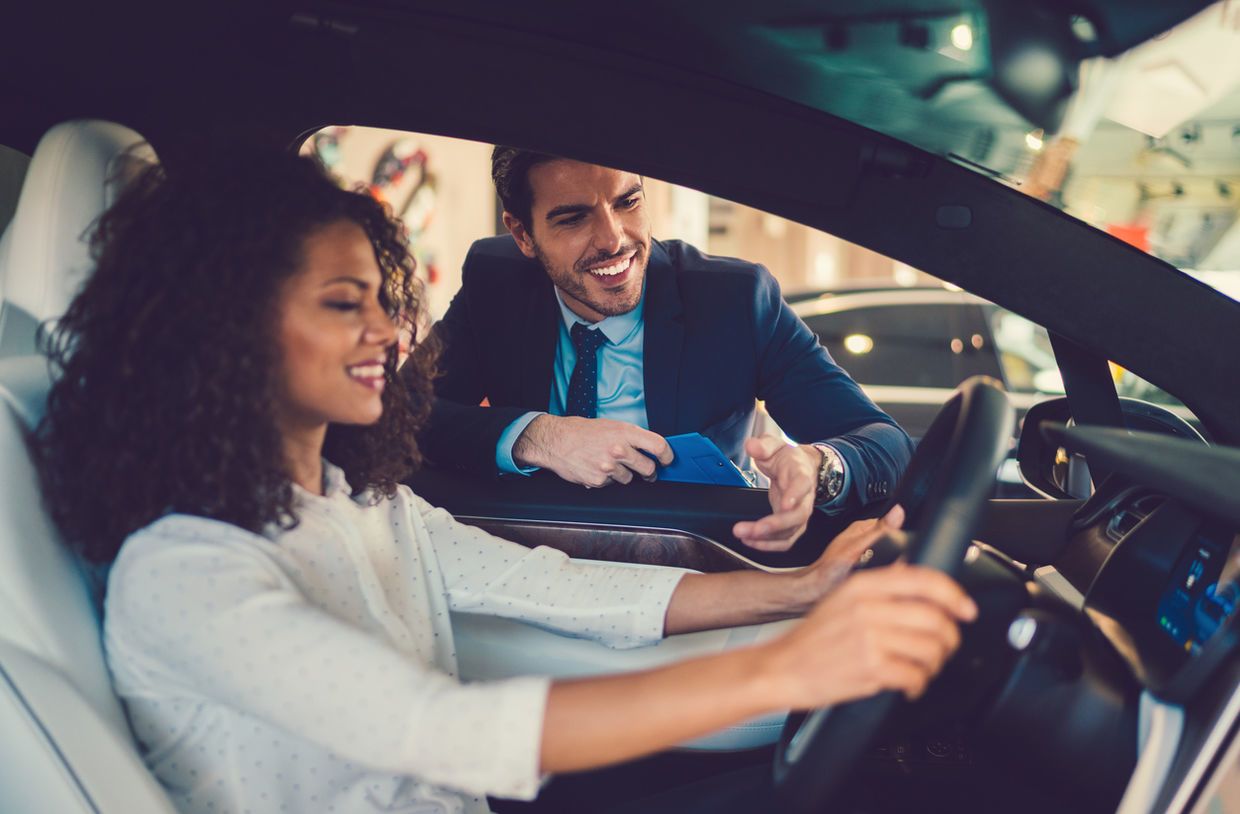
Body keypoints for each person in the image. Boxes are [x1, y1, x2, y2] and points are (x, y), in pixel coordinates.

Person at [35, 146, 974, 814]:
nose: (386, 335)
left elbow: (554, 583)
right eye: (340, 304)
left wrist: (800, 589)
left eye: (380, 299)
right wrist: (791, 663)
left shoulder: (357, 502)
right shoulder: (184, 573)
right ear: (224, 331)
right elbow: (438, 726)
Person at [418, 147, 914, 552]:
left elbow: (884, 442)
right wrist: (539, 437)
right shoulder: (494, 281)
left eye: (627, 202)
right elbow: (402, 415)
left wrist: (818, 468)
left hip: (690, 563)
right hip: (525, 562)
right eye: (573, 219)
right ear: (523, 234)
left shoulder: (735, 300)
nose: (614, 240)